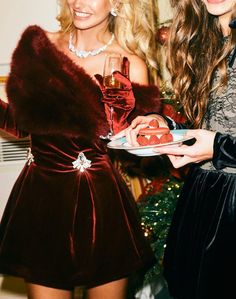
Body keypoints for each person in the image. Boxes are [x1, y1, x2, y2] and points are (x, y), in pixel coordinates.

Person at [0, 0, 162, 298]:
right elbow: (21, 124)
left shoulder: (129, 64)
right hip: (42, 198)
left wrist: (147, 123)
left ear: (116, 3)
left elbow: (130, 144)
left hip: (100, 202)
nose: (78, 3)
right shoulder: (38, 46)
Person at [113, 0, 236, 298]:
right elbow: (206, 122)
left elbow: (218, 139)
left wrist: (220, 148)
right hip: (204, 194)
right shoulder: (201, 37)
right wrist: (162, 125)